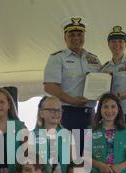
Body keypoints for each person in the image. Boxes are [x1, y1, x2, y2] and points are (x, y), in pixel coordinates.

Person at [43, 17, 102, 155]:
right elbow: (49, 86)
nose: (76, 38)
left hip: (90, 115)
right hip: (66, 114)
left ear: (84, 36)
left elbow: (102, 83)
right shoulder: (57, 58)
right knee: (68, 157)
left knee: (87, 157)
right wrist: (71, 100)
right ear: (65, 38)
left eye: (80, 34)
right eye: (72, 35)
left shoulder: (94, 59)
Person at [32, 96, 72, 173]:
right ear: (41, 113)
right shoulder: (32, 135)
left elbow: (73, 163)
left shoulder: (68, 135)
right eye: (51, 110)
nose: (56, 113)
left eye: (58, 110)